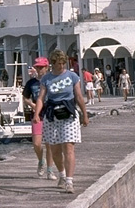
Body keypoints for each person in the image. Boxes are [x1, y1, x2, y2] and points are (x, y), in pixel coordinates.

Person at [35, 49, 89, 194]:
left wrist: (84, 114)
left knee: (68, 148)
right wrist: (36, 114)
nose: (61, 66)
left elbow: (78, 96)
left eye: (63, 63)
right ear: (52, 64)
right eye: (58, 64)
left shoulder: (72, 76)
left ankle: (69, 181)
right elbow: (41, 98)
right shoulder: (46, 78)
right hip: (52, 115)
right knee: (55, 150)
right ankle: (62, 175)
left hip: (69, 114)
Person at [22, 58, 50, 177]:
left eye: (41, 67)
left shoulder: (51, 80)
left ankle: (50, 169)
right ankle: (41, 160)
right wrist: (32, 105)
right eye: (37, 67)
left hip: (50, 114)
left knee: (50, 144)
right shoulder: (31, 83)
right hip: (37, 115)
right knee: (37, 143)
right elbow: (25, 98)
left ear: (47, 67)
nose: (39, 69)